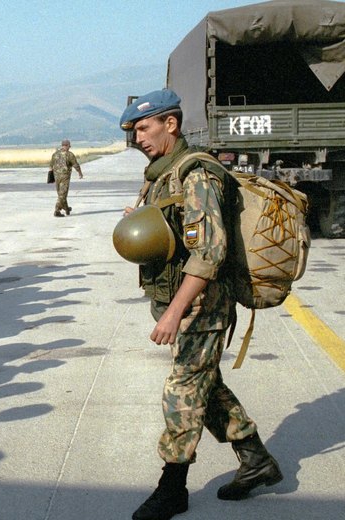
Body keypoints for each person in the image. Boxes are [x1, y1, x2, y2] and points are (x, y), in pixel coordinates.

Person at [118, 88, 282, 520]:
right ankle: (256, 460)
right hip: (179, 299)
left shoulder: (196, 175)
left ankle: (172, 488)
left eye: (143, 128)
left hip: (201, 305)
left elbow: (209, 253)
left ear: (170, 124)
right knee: (204, 388)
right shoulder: (162, 174)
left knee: (182, 391)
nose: (139, 138)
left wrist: (175, 313)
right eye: (134, 131)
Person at [49, 139, 83, 216]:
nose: (70, 147)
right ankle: (57, 210)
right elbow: (75, 165)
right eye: (69, 146)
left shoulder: (55, 154)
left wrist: (51, 177)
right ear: (67, 146)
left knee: (61, 193)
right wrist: (80, 173)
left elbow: (51, 166)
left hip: (56, 176)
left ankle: (66, 208)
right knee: (62, 194)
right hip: (65, 177)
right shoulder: (69, 154)